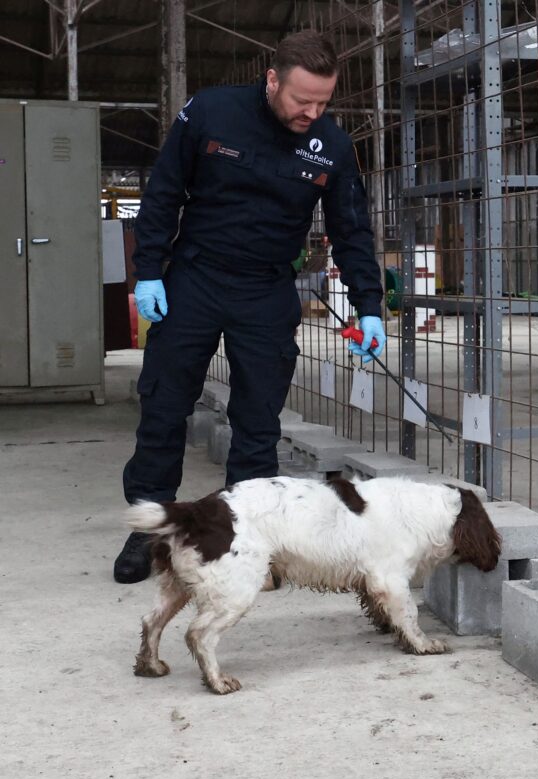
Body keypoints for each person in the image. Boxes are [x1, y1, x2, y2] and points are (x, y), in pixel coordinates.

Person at [114, 30, 387, 583]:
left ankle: (248, 538)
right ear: (272, 80)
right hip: (195, 280)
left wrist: (370, 306)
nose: (311, 111)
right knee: (165, 409)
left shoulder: (331, 144)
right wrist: (147, 273)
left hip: (266, 291)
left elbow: (351, 230)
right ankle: (150, 533)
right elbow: (164, 193)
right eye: (300, 99)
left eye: (323, 102)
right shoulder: (211, 112)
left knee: (258, 423)